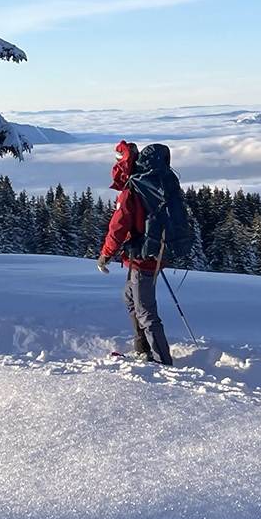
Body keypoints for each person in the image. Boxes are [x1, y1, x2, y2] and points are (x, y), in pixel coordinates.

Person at [98, 139, 171, 366]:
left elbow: (118, 227)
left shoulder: (133, 191)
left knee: (145, 310)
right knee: (130, 298)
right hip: (156, 253)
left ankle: (162, 362)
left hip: (143, 257)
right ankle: (144, 349)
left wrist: (106, 254)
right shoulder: (156, 184)